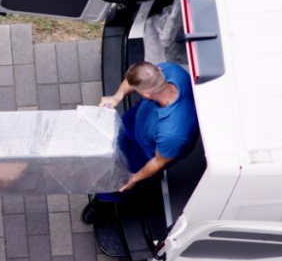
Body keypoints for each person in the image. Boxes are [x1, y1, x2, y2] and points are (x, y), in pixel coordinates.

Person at [81, 61, 200, 225]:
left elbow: (159, 161)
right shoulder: (170, 70)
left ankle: (104, 200)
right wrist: (118, 96)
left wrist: (134, 178)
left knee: (118, 180)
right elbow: (132, 81)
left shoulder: (173, 132)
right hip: (134, 124)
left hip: (144, 155)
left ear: (147, 96)